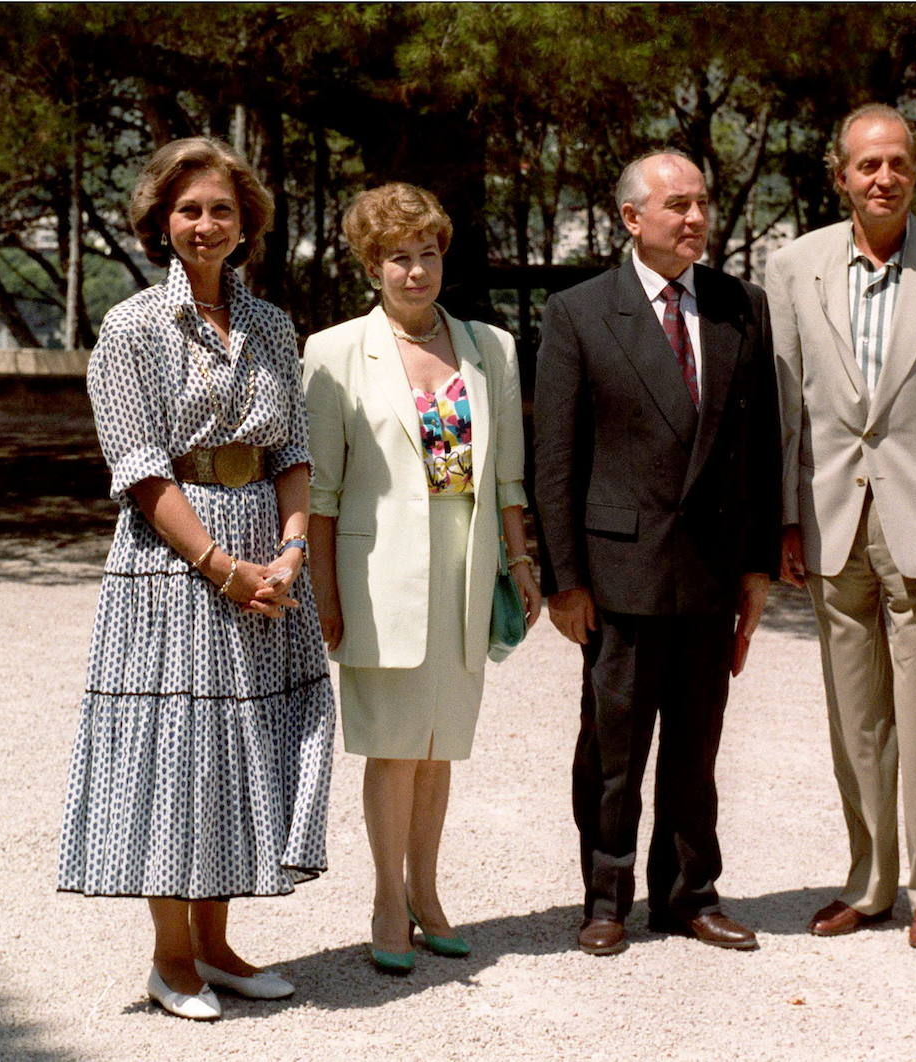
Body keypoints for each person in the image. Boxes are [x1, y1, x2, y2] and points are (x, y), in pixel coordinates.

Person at [56, 137, 334, 1020]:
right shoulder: (132, 327)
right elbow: (140, 466)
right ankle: (170, 959)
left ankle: (216, 946)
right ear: (161, 224)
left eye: (220, 208)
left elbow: (291, 446)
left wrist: (288, 551)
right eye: (188, 211)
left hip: (265, 547)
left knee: (241, 745)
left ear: (245, 220)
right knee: (179, 749)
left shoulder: (271, 326)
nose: (205, 224)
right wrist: (220, 567)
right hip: (176, 561)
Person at [765, 103, 916, 949]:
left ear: (915, 172)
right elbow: (783, 407)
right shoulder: (792, 268)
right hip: (831, 517)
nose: (883, 178)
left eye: (897, 163)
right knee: (857, 718)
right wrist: (784, 519)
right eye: (867, 165)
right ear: (839, 176)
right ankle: (870, 882)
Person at [532, 150, 781, 957]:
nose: (695, 218)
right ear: (631, 219)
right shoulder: (578, 312)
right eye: (677, 205)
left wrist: (756, 568)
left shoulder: (742, 306)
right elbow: (556, 459)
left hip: (710, 573)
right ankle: (605, 899)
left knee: (695, 751)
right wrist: (564, 579)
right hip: (618, 574)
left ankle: (690, 896)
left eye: (702, 202)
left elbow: (758, 447)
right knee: (613, 750)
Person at [301, 183, 541, 974]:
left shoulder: (491, 348)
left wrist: (522, 562)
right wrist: (324, 593)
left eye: (427, 254)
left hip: (464, 573)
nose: (415, 271)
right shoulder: (334, 351)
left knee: (439, 749)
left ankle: (429, 894)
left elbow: (506, 479)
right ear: (373, 265)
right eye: (398, 257)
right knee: (394, 749)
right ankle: (384, 898)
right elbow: (323, 490)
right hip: (377, 578)